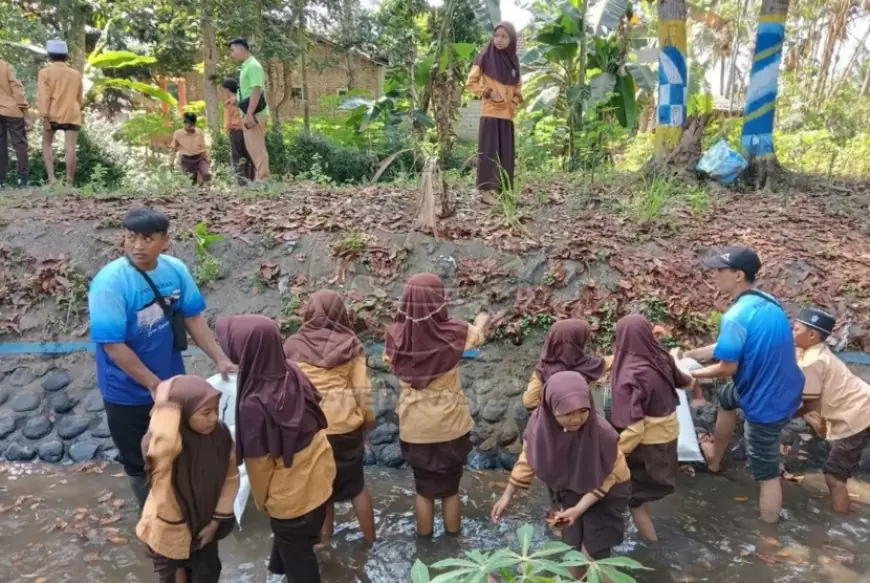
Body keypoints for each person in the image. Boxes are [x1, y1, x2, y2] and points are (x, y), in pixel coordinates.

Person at [88, 207, 235, 508]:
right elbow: (113, 346)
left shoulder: (175, 270)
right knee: (138, 463)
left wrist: (221, 358)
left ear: (165, 241)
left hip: (172, 385)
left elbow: (193, 318)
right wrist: (154, 385)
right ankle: (152, 522)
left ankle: (181, 511)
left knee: (177, 451)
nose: (138, 246)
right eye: (131, 238)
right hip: (126, 392)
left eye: (147, 238)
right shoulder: (110, 283)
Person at [679, 245, 804, 523]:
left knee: (766, 473)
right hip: (784, 385)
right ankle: (714, 462)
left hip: (766, 402)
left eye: (720, 271)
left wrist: (691, 375)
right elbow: (728, 346)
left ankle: (769, 540)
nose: (716, 277)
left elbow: (728, 366)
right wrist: (690, 355)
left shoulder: (734, 316)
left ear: (738, 275)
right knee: (726, 397)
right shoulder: (767, 301)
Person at [216, 315, 336, 583]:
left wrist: (263, 501)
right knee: (296, 543)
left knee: (300, 563)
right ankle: (279, 569)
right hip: (321, 476)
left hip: (292, 500)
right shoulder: (292, 370)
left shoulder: (253, 404)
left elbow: (259, 466)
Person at [491, 371, 630, 576]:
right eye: (567, 413)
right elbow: (528, 458)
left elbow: (610, 475)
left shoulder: (601, 433)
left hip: (606, 493)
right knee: (572, 550)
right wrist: (507, 495)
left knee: (593, 555)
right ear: (550, 409)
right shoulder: (539, 428)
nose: (576, 419)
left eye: (583, 411)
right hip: (568, 490)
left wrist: (579, 509)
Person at [384, 272, 491, 536]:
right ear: (440, 300)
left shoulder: (395, 335)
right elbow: (477, 336)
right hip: (451, 426)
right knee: (450, 490)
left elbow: (390, 361)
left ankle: (425, 546)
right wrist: (481, 319)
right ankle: (453, 544)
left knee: (424, 490)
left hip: (414, 428)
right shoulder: (456, 330)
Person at [283, 290, 376, 544]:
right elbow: (362, 389)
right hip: (345, 426)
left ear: (309, 313)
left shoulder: (292, 346)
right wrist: (368, 420)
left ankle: (325, 542)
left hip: (310, 427)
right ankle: (370, 540)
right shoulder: (351, 344)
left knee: (321, 489)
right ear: (340, 313)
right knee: (356, 486)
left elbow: (288, 389)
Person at [136, 375, 239, 583]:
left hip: (205, 522)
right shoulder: (160, 448)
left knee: (207, 573)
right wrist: (166, 397)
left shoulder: (219, 436)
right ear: (181, 413)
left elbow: (231, 477)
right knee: (174, 574)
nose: (213, 418)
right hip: (169, 528)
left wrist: (215, 523)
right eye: (205, 412)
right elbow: (165, 441)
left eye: (216, 410)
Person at [610, 314, 693, 542]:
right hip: (669, 439)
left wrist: (612, 455)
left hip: (647, 446)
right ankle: (648, 530)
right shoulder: (660, 357)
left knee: (634, 499)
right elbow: (687, 382)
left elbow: (635, 430)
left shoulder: (630, 373)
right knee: (643, 491)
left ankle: (652, 546)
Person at [793, 307, 870, 514]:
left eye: (795, 329)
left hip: (857, 415)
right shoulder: (808, 350)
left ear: (811, 335)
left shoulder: (814, 361)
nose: (792, 333)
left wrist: (783, 416)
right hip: (862, 405)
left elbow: (809, 404)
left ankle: (841, 523)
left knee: (834, 477)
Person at [465, 21, 522, 197]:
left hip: (507, 116)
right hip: (489, 112)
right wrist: (489, 92)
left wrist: (512, 104)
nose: (499, 40)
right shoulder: (485, 57)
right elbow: (470, 83)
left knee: (506, 154)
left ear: (511, 39)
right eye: (496, 36)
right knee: (489, 152)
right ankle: (487, 194)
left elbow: (518, 89)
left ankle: (502, 192)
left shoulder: (514, 62)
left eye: (504, 36)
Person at [523, 318, 610, 410]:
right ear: (573, 343)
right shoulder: (589, 366)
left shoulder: (544, 370)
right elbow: (529, 402)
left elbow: (529, 401)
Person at [37, 39, 84, 186]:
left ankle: (52, 179)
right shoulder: (76, 74)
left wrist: (44, 117)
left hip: (52, 114)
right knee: (70, 148)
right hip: (72, 113)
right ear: (66, 56)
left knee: (46, 144)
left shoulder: (45, 73)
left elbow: (43, 96)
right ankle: (69, 182)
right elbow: (80, 97)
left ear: (49, 56)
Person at [228, 38, 270, 182]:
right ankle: (261, 179)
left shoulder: (253, 66)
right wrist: (236, 100)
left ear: (241, 49)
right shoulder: (246, 66)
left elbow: (256, 89)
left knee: (257, 148)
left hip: (255, 113)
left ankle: (264, 180)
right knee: (252, 147)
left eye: (232, 50)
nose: (231, 54)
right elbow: (247, 91)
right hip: (249, 112)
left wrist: (250, 114)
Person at [0, 57, 29, 189]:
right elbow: (17, 90)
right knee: (20, 145)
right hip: (12, 111)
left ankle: (1, 182)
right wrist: (25, 111)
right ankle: (22, 180)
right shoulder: (7, 67)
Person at [221, 78, 254, 184]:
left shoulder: (230, 102)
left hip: (236, 131)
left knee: (237, 157)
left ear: (227, 90)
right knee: (248, 155)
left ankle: (241, 182)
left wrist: (227, 130)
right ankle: (250, 180)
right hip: (247, 130)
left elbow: (229, 120)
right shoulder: (243, 99)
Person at [170, 112, 212, 185]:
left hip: (199, 158)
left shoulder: (199, 132)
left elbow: (203, 148)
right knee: (189, 183)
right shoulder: (178, 134)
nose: (192, 127)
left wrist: (208, 159)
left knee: (206, 175)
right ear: (185, 123)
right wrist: (171, 163)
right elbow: (173, 150)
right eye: (190, 125)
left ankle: (203, 189)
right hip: (186, 160)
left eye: (193, 125)